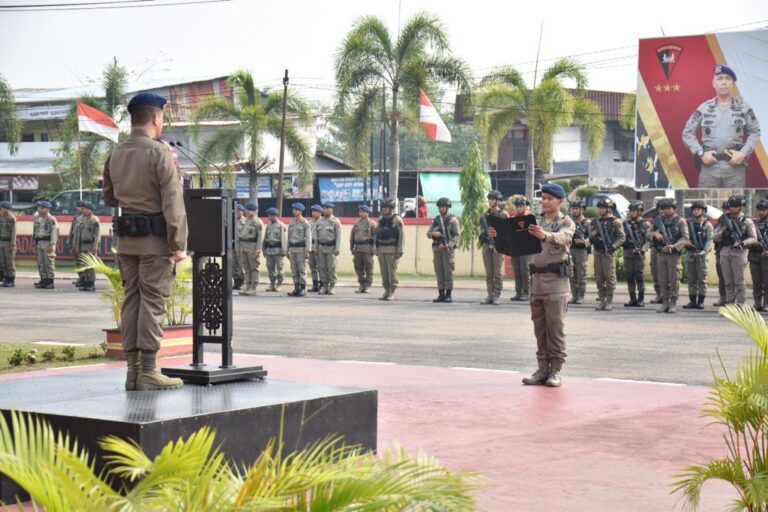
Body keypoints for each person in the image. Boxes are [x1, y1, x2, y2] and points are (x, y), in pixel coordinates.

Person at [103, 91, 187, 391]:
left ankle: (132, 372)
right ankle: (149, 370)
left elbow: (109, 196)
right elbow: (173, 202)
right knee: (153, 302)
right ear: (155, 117)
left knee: (132, 301)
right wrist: (179, 243)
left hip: (126, 242)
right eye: (162, 117)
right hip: (155, 243)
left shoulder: (116, 152)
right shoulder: (159, 152)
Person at [491, 183, 574, 387]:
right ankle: (542, 368)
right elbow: (515, 246)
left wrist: (544, 236)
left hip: (556, 283)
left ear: (560, 201)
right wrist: (497, 238)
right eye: (543, 198)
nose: (545, 201)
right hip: (536, 283)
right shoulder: (533, 222)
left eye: (549, 198)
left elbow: (564, 237)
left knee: (555, 329)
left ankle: (555, 370)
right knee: (540, 329)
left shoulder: (565, 222)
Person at [682, 64, 761, 188]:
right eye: (720, 79)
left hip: (735, 168)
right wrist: (701, 153)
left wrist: (743, 153)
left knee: (736, 203)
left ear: (733, 83)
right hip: (709, 169)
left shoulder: (744, 108)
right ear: (713, 83)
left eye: (727, 78)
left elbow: (755, 131)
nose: (723, 82)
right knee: (706, 203)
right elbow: (687, 133)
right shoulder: (704, 108)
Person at [647, 198, 689, 313]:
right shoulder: (659, 220)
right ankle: (665, 303)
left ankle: (673, 303)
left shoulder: (681, 221)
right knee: (662, 280)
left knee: (674, 279)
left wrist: (674, 246)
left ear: (674, 209)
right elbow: (647, 233)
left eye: (668, 208)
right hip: (661, 253)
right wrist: (655, 234)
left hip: (673, 255)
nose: (666, 210)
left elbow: (685, 238)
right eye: (664, 208)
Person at [713, 195, 756, 304]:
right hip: (725, 250)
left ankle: (740, 304)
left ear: (740, 207)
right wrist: (723, 229)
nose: (731, 208)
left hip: (740, 252)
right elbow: (714, 237)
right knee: (727, 281)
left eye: (734, 206)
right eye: (730, 206)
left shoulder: (747, 221)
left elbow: (753, 238)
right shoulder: (724, 219)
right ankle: (729, 304)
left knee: (739, 281)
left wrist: (742, 242)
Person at [587, 198, 625, 311]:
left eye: (603, 208)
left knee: (609, 277)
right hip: (598, 251)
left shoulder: (616, 222)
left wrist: (613, 247)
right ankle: (602, 300)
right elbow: (591, 235)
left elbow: (622, 237)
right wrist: (593, 238)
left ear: (609, 209)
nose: (601, 210)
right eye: (600, 208)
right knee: (599, 277)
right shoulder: (596, 221)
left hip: (609, 252)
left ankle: (609, 301)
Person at [427, 197, 460, 303]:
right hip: (437, 249)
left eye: (443, 207)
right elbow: (428, 233)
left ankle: (448, 294)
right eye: (440, 207)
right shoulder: (436, 220)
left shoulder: (453, 221)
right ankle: (441, 294)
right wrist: (433, 233)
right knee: (439, 271)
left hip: (447, 250)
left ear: (447, 207)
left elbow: (457, 236)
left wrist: (448, 245)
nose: (441, 209)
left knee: (448, 272)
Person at [479, 190, 508, 305]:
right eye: (489, 199)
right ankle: (490, 294)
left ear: (497, 200)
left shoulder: (503, 215)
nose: (490, 201)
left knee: (497, 272)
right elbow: (481, 230)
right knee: (489, 272)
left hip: (498, 245)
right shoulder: (485, 215)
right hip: (487, 245)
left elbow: (506, 232)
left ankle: (496, 295)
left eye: (492, 199)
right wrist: (485, 234)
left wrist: (497, 239)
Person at [683, 201, 713, 310]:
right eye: (694, 209)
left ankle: (700, 301)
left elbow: (709, 240)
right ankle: (692, 301)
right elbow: (683, 236)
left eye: (698, 209)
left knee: (701, 279)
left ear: (703, 211)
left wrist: (704, 252)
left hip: (702, 255)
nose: (696, 211)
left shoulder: (707, 225)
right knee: (691, 279)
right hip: (690, 254)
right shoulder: (688, 223)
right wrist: (686, 242)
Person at [374, 197, 404, 301]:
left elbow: (401, 236)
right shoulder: (381, 220)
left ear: (391, 208)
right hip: (382, 249)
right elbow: (376, 235)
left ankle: (392, 291)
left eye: (387, 207)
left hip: (392, 249)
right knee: (384, 272)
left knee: (392, 272)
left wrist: (399, 251)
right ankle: (386, 290)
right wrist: (375, 248)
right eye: (383, 207)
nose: (385, 209)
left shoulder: (397, 219)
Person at [621, 200, 650, 307]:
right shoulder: (625, 224)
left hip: (639, 254)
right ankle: (632, 298)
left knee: (639, 276)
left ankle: (641, 299)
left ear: (639, 211)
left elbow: (648, 240)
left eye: (634, 211)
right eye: (631, 211)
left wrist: (642, 249)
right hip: (627, 252)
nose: (632, 213)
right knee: (629, 276)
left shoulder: (645, 224)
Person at [73, 201, 101, 292]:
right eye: (83, 209)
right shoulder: (82, 220)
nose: (84, 210)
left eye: (86, 209)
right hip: (82, 245)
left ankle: (91, 284)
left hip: (90, 245)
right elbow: (78, 235)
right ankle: (86, 282)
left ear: (91, 210)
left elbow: (97, 236)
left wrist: (95, 248)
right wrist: (77, 246)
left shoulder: (95, 220)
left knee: (90, 266)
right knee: (84, 264)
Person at [238, 202, 264, 296]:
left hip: (252, 246)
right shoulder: (245, 221)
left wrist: (258, 250)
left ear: (254, 211)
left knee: (254, 267)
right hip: (243, 246)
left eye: (249, 210)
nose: (247, 212)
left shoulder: (257, 222)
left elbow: (260, 238)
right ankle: (247, 286)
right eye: (246, 210)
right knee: (246, 268)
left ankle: (253, 287)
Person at [315, 202, 342, 295]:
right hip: (321, 247)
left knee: (331, 268)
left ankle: (332, 286)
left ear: (332, 210)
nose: (325, 210)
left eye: (327, 208)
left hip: (331, 248)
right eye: (324, 208)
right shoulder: (320, 221)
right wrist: (316, 249)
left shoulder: (335, 221)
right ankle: (324, 286)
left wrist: (337, 249)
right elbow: (316, 236)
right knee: (322, 267)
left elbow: (338, 236)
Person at [509, 195, 531, 301]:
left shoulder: (530, 218)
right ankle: (518, 292)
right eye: (517, 206)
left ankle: (527, 292)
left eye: (521, 206)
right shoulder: (512, 219)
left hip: (526, 248)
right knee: (517, 270)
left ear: (525, 206)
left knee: (525, 270)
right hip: (516, 248)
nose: (518, 208)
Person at [286, 202, 312, 297]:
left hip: (301, 249)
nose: (294, 211)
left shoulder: (305, 223)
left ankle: (302, 288)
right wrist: (286, 250)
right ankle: (296, 287)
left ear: (301, 211)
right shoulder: (292, 222)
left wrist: (307, 251)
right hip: (292, 249)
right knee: (294, 269)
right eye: (293, 209)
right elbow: (288, 237)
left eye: (296, 210)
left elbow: (308, 237)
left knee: (302, 269)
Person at [568, 199, 590, 304]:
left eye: (576, 209)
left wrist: (584, 241)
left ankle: (581, 296)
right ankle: (574, 295)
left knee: (582, 274)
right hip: (571, 249)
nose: (574, 211)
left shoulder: (587, 222)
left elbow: (592, 237)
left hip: (581, 251)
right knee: (572, 274)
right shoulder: (569, 221)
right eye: (573, 208)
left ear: (582, 210)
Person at [351, 204, 376, 293]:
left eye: (362, 212)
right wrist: (351, 248)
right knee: (358, 266)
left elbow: (375, 238)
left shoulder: (372, 224)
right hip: (358, 248)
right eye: (360, 211)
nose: (360, 213)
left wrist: (374, 248)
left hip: (367, 248)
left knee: (369, 267)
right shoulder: (356, 224)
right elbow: (352, 236)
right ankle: (361, 284)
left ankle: (368, 285)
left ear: (367, 213)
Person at [33, 200, 58, 290]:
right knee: (41, 262)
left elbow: (54, 232)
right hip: (39, 242)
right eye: (39, 207)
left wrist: (52, 244)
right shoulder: (38, 219)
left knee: (49, 263)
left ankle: (50, 281)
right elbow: (35, 231)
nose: (39, 209)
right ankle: (43, 280)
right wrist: (34, 242)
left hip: (48, 243)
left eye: (41, 208)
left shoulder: (51, 219)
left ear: (47, 209)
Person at [750, 199, 768, 311]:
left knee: (767, 282)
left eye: (764, 210)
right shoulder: (754, 224)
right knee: (756, 282)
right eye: (759, 210)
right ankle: (757, 303)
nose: (761, 212)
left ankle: (766, 303)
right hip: (754, 256)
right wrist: (752, 241)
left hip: (766, 256)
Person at [263, 207, 287, 292]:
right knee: (270, 268)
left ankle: (279, 284)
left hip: (278, 250)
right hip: (269, 250)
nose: (270, 217)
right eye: (269, 215)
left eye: (272, 215)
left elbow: (284, 239)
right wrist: (264, 250)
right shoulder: (268, 225)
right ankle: (272, 284)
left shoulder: (281, 225)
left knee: (279, 268)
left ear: (276, 216)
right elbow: (265, 238)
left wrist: (284, 251)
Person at [713, 201, 729, 307]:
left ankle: (732, 299)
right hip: (720, 251)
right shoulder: (720, 222)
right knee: (722, 278)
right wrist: (724, 229)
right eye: (726, 209)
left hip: (734, 252)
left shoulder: (740, 221)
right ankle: (723, 298)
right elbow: (714, 237)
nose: (728, 211)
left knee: (733, 278)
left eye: (730, 208)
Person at [649, 202, 664, 304]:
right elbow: (647, 233)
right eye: (660, 209)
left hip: (668, 250)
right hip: (656, 248)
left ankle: (667, 296)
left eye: (665, 208)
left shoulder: (675, 221)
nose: (663, 211)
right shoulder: (656, 221)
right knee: (655, 272)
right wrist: (655, 233)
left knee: (667, 274)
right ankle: (659, 294)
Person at [69, 200, 85, 287]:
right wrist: (71, 241)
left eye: (78, 207)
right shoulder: (76, 217)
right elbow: (72, 230)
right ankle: (80, 277)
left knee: (82, 262)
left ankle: (84, 279)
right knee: (77, 262)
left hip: (82, 243)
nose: (76, 208)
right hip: (75, 241)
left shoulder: (85, 217)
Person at [0, 201, 16, 288]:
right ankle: (6, 278)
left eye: (2, 207)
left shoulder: (11, 218)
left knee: (9, 262)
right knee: (3, 262)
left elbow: (13, 232)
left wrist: (12, 244)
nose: (1, 209)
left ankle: (11, 279)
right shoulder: (1, 217)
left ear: (7, 209)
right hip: (1, 242)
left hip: (8, 243)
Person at [308, 204, 322, 292]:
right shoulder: (310, 222)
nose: (313, 213)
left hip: (319, 247)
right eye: (313, 212)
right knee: (312, 267)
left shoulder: (322, 222)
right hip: (310, 247)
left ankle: (322, 284)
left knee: (320, 267)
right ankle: (315, 284)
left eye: (315, 212)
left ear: (320, 213)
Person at [232, 203, 246, 290]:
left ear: (242, 212)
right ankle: (236, 281)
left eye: (239, 211)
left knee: (241, 265)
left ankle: (242, 282)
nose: (237, 213)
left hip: (241, 247)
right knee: (233, 266)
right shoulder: (232, 221)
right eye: (235, 211)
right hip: (233, 246)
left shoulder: (246, 222)